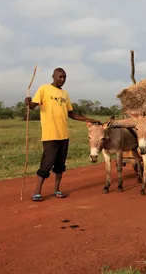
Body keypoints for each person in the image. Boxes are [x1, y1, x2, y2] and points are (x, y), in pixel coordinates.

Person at [25, 67, 100, 201]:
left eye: (64, 77)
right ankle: (37, 191)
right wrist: (28, 103)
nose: (62, 79)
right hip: (50, 134)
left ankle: (57, 190)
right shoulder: (44, 89)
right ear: (53, 76)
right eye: (60, 77)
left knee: (60, 164)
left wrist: (88, 119)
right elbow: (33, 106)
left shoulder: (65, 94)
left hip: (63, 134)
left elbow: (71, 114)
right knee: (47, 162)